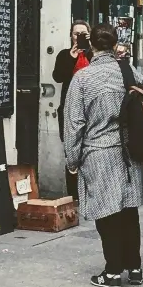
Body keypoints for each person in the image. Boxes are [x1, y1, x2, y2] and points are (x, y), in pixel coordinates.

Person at [64, 23, 143, 287]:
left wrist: (72, 158)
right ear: (114, 45)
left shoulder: (83, 79)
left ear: (91, 46)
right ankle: (134, 268)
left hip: (99, 151)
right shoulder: (129, 71)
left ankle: (112, 272)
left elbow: (74, 123)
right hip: (130, 150)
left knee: (107, 212)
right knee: (128, 210)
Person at [52, 20, 92, 200]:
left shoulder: (94, 55)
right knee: (71, 151)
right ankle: (74, 195)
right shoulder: (64, 55)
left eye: (84, 34)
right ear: (71, 36)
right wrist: (71, 57)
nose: (79, 37)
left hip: (91, 109)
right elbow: (58, 77)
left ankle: (91, 192)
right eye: (76, 34)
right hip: (69, 109)